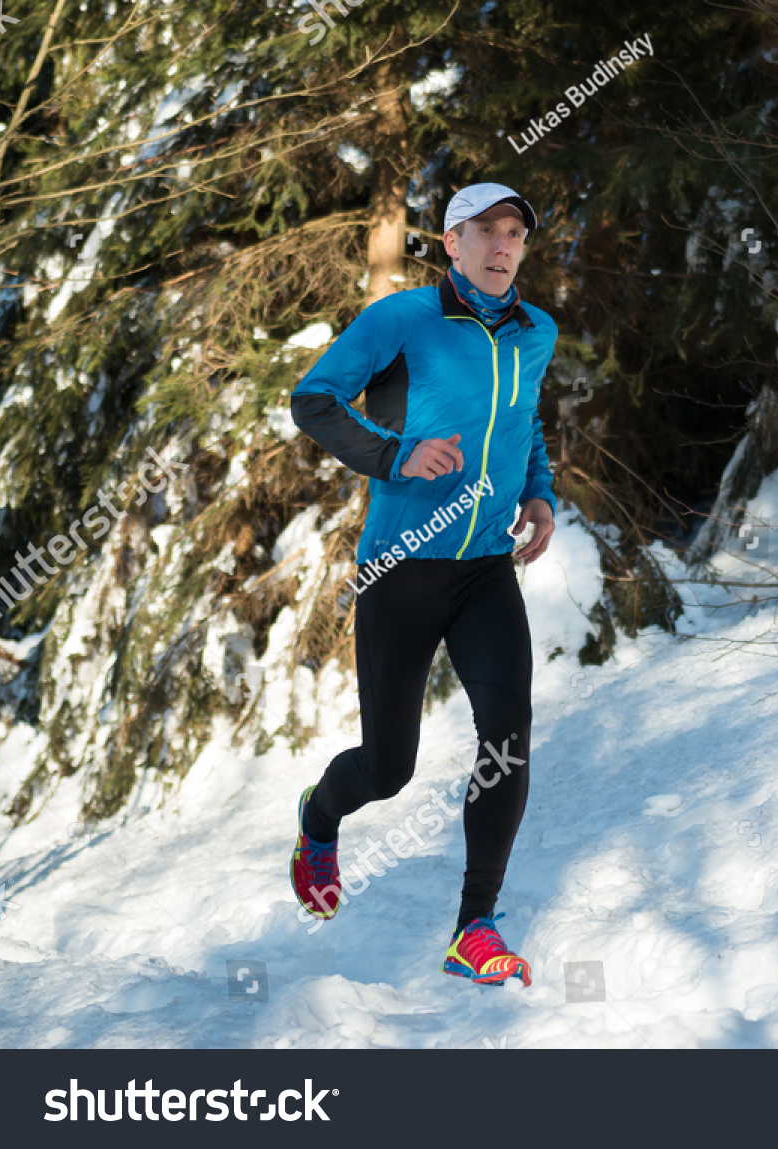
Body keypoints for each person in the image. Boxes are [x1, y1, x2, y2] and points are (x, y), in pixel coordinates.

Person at [285, 183, 557, 988]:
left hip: (483, 571)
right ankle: (319, 815)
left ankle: (475, 924)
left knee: (507, 729)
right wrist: (393, 453)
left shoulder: (536, 331)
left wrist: (538, 491)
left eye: (515, 233)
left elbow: (525, 421)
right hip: (399, 568)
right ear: (452, 241)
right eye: (487, 231)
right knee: (389, 767)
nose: (503, 245)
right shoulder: (401, 320)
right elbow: (314, 399)